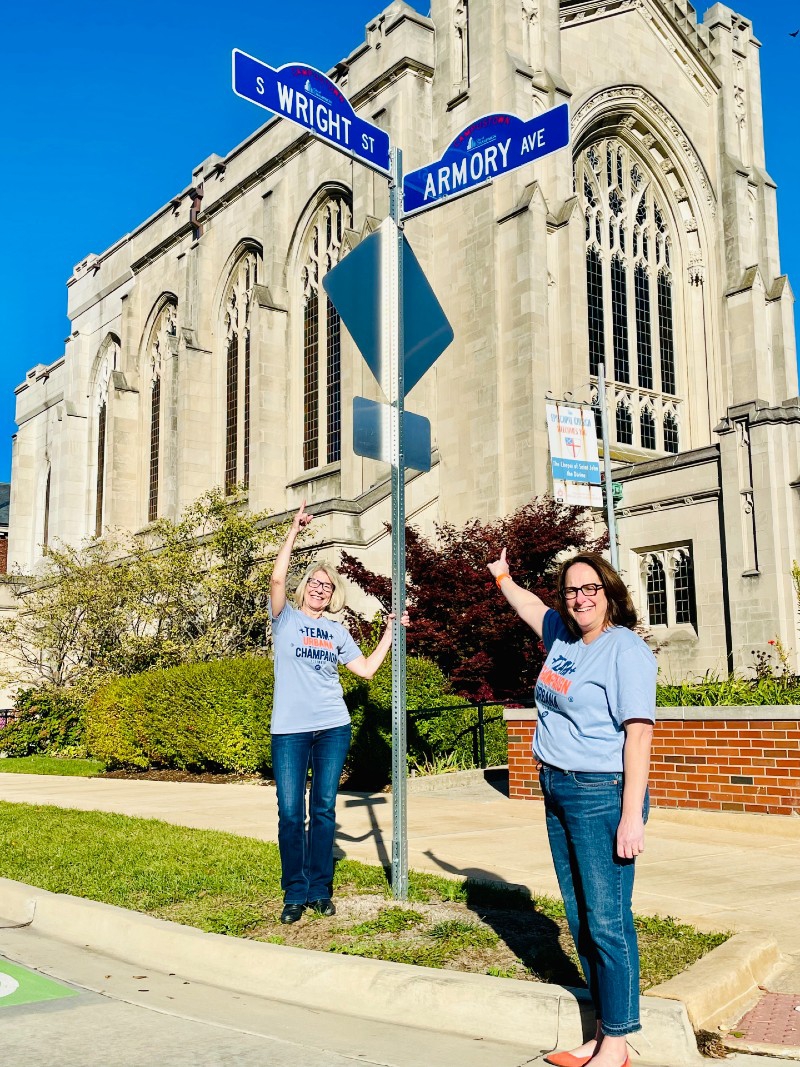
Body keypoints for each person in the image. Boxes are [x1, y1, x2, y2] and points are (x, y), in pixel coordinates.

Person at [487, 549, 656, 1067]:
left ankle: (618, 1044)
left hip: (602, 792)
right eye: (571, 591)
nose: (580, 598)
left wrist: (631, 816)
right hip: (558, 789)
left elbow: (639, 735)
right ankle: (603, 1032)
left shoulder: (624, 650)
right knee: (581, 917)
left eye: (590, 589)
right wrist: (502, 577)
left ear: (609, 593)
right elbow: (530, 608)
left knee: (607, 920)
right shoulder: (562, 634)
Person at [269, 501, 408, 925]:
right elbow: (276, 577)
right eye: (314, 582)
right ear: (303, 586)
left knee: (324, 808)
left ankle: (318, 890)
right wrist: (294, 530)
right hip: (289, 729)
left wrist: (388, 634)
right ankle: (294, 892)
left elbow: (365, 671)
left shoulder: (336, 630)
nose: (319, 588)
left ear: (333, 596)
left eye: (327, 586)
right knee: (291, 811)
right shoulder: (284, 618)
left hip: (332, 726)